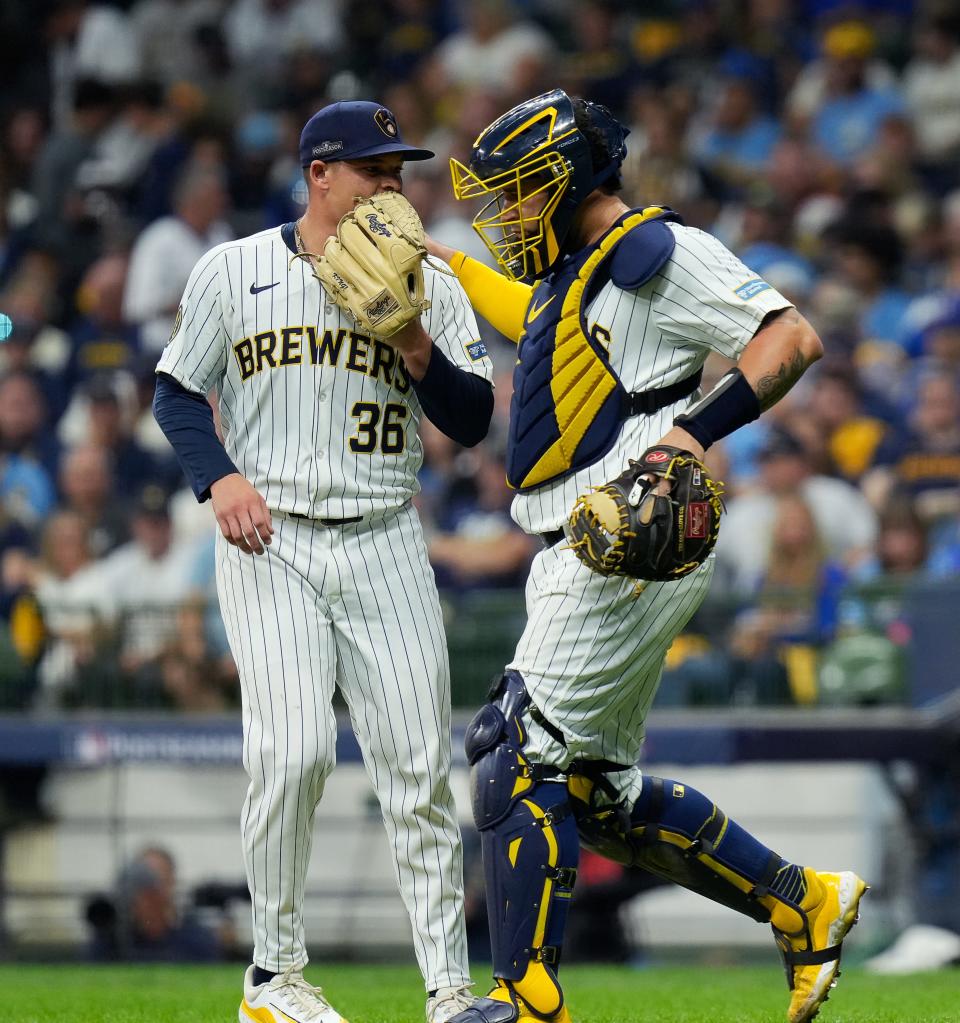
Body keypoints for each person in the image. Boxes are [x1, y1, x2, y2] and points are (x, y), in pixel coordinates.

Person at [425, 90, 867, 1023]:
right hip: (579, 545)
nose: (502, 214)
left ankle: (523, 1000)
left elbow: (791, 336)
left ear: (563, 182)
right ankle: (804, 901)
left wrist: (695, 435)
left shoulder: (654, 249)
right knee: (593, 794)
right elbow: (547, 323)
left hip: (628, 540)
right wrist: (447, 264)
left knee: (513, 751)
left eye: (514, 193)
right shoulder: (583, 269)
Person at [153, 100, 495, 1023]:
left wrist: (415, 343)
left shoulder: (431, 279)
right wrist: (217, 477)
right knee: (295, 749)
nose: (394, 186)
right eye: (376, 171)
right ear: (320, 174)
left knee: (418, 768)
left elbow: (472, 419)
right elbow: (177, 390)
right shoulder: (236, 268)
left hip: (386, 534)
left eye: (400, 171)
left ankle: (452, 992)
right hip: (274, 537)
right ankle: (274, 977)